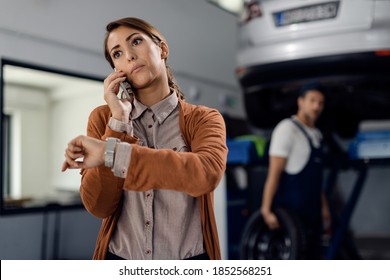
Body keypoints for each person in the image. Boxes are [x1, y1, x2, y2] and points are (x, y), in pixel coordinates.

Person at [61, 17, 228, 260]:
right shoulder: (103, 118)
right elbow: (99, 206)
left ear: (162, 49)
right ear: (116, 70)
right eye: (117, 54)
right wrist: (118, 122)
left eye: (136, 42)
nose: (128, 56)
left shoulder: (204, 118)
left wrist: (114, 155)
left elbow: (205, 174)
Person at [260, 82, 331, 259]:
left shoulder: (317, 134)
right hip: (292, 214)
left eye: (320, 102)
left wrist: (324, 207)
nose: (316, 106)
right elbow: (274, 174)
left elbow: (315, 180)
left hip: (313, 213)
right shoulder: (287, 129)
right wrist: (266, 208)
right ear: (301, 102)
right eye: (312, 100)